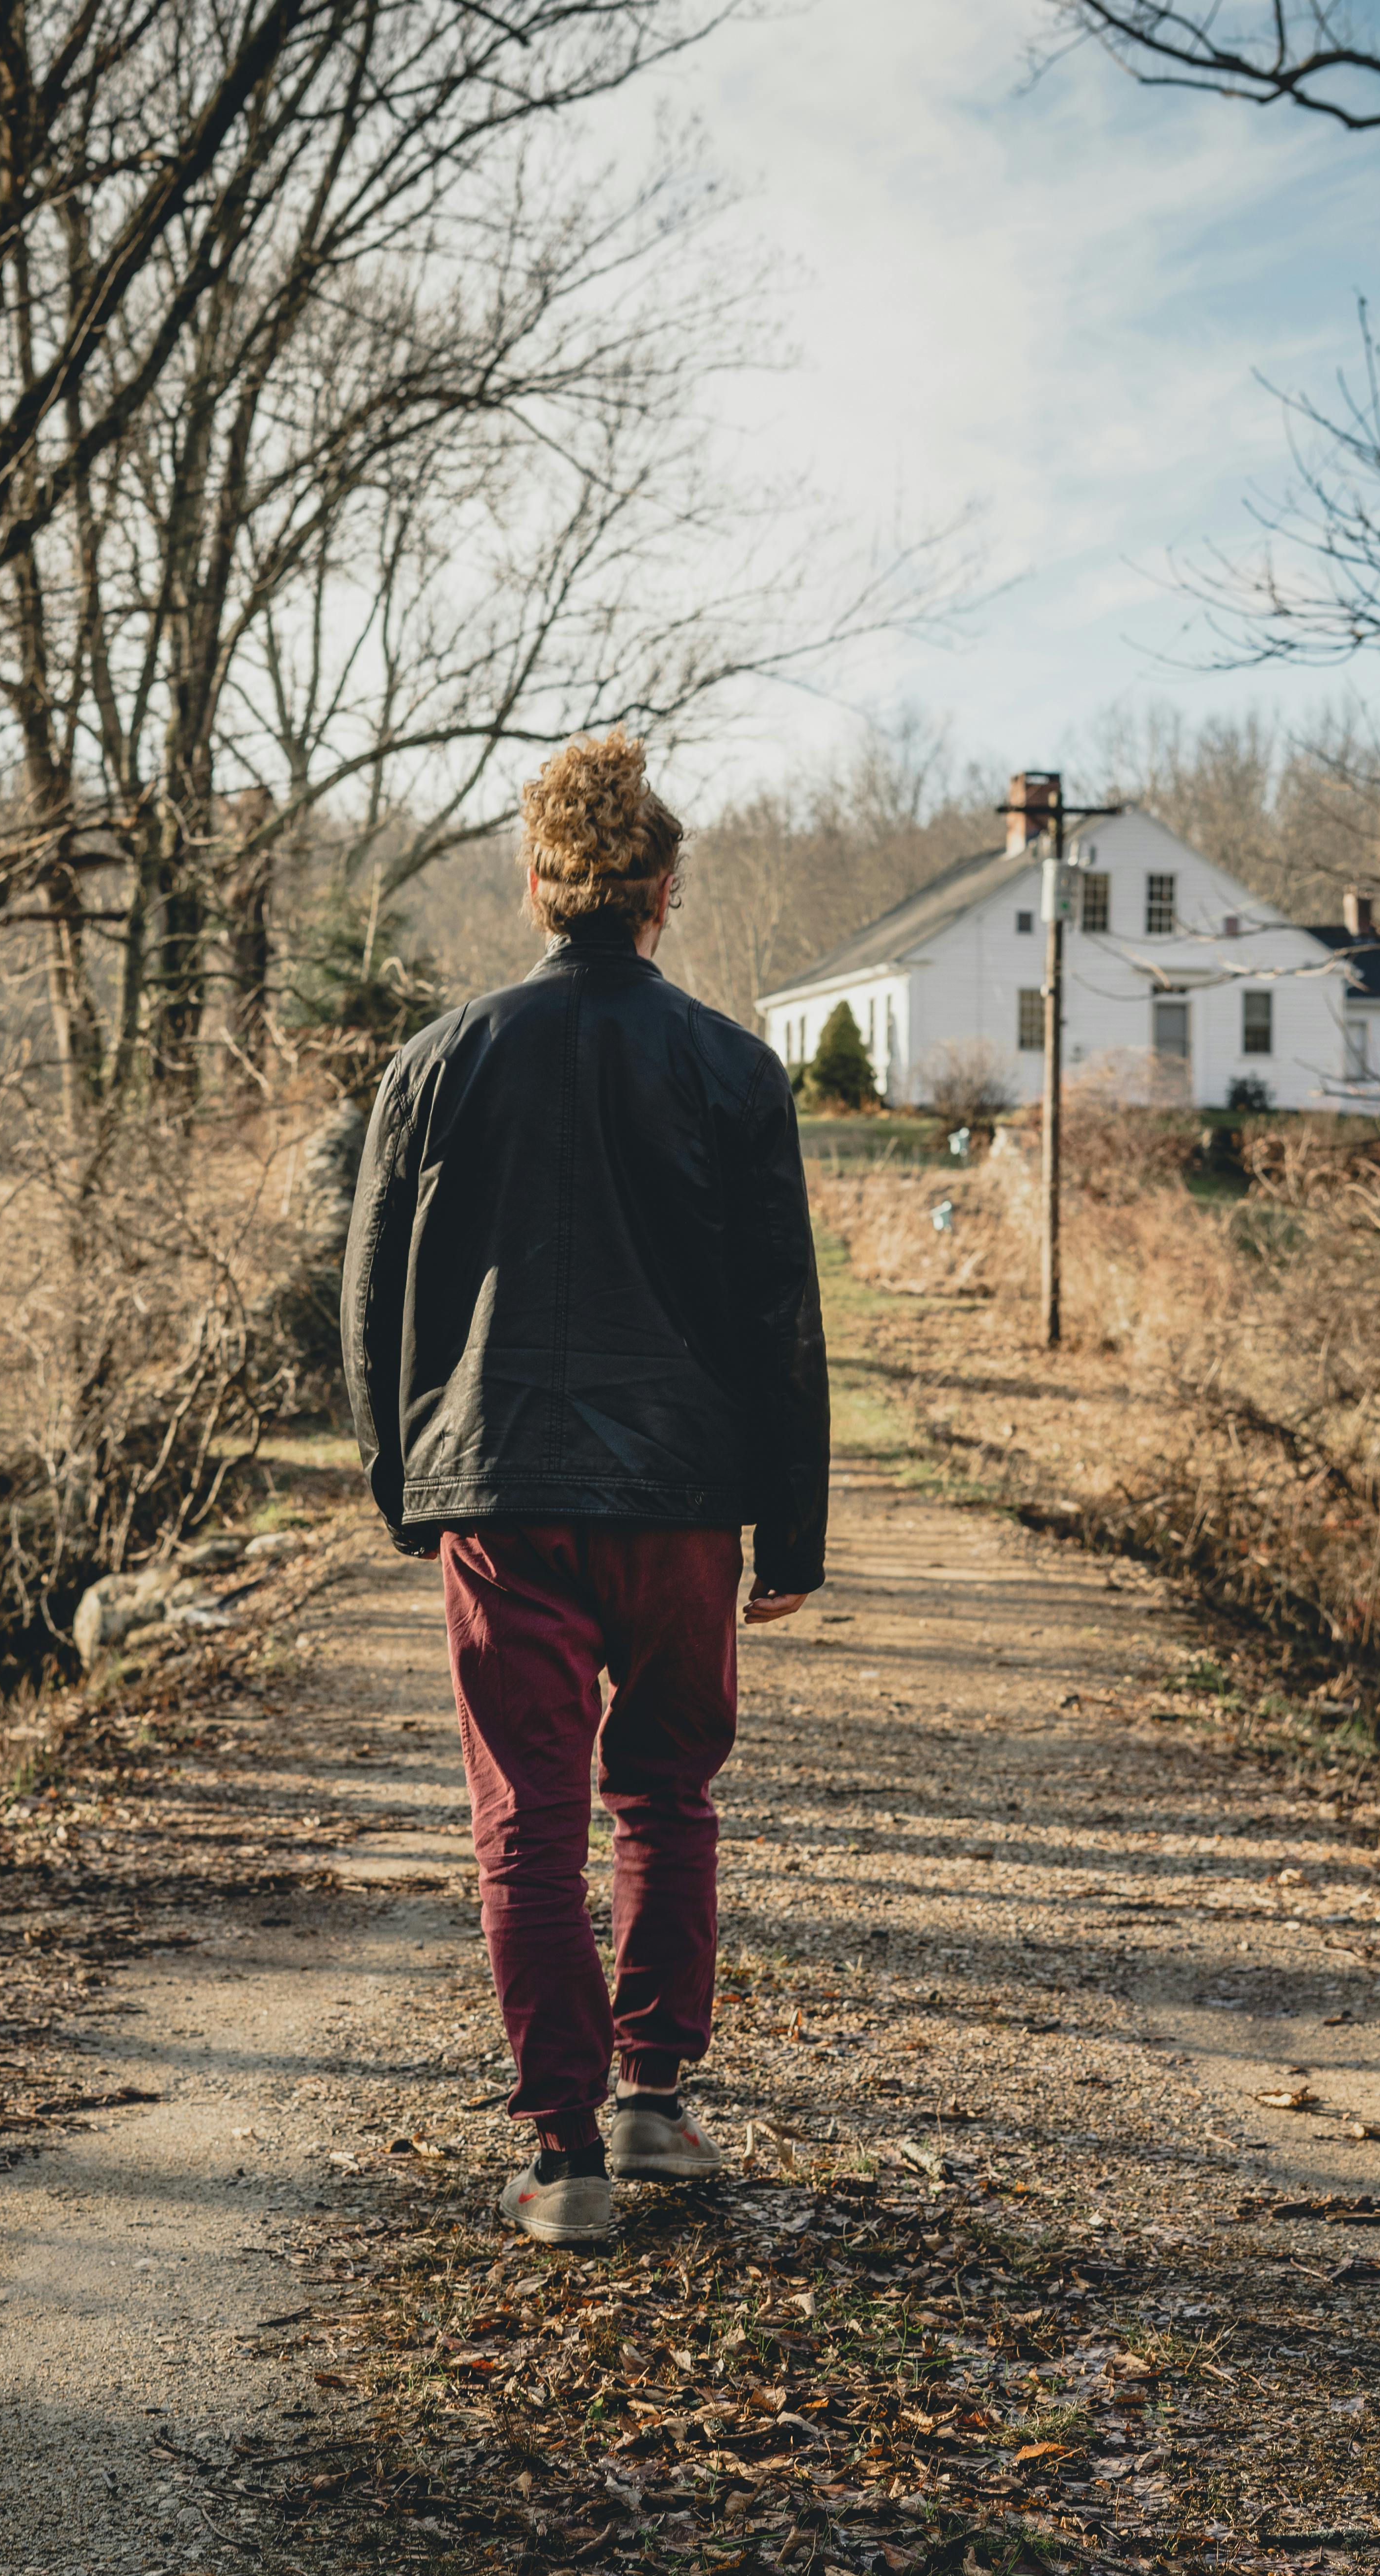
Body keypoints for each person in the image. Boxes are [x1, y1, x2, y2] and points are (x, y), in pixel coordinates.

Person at [342, 729, 829, 2244]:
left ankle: (563, 2165)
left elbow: (371, 1303)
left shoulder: (437, 1062)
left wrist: (401, 1480)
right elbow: (779, 1316)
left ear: (536, 887)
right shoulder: (733, 1068)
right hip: (682, 1500)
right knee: (665, 1797)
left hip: (500, 1493)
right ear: (661, 891)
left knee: (528, 1827)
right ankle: (654, 2101)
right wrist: (790, 1526)